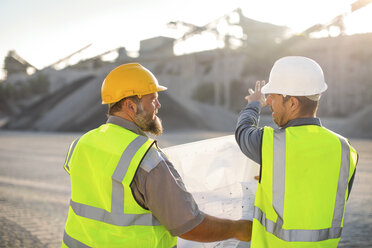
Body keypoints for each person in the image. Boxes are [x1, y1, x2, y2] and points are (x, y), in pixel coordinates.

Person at [62, 63, 252, 247]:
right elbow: (190, 226)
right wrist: (237, 228)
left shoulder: (82, 143)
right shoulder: (145, 159)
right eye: (152, 99)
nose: (159, 105)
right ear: (130, 106)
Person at [235, 56, 358, 248]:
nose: (269, 102)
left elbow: (243, 131)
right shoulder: (345, 149)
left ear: (292, 103)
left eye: (272, 97)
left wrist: (254, 103)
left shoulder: (270, 143)